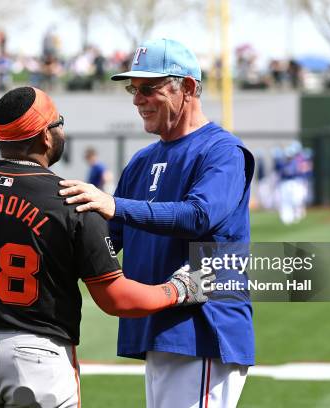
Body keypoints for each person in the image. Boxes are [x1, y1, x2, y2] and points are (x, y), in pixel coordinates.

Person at [0, 86, 213, 408]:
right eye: (59, 122)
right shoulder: (74, 200)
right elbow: (116, 299)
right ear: (46, 136)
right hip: (41, 359)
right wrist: (180, 290)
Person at [59, 39, 255, 408]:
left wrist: (114, 205)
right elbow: (108, 239)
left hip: (203, 325)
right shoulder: (142, 160)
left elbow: (199, 216)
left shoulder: (222, 151)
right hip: (159, 324)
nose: (137, 98)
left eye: (149, 88)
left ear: (190, 88)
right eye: (134, 89)